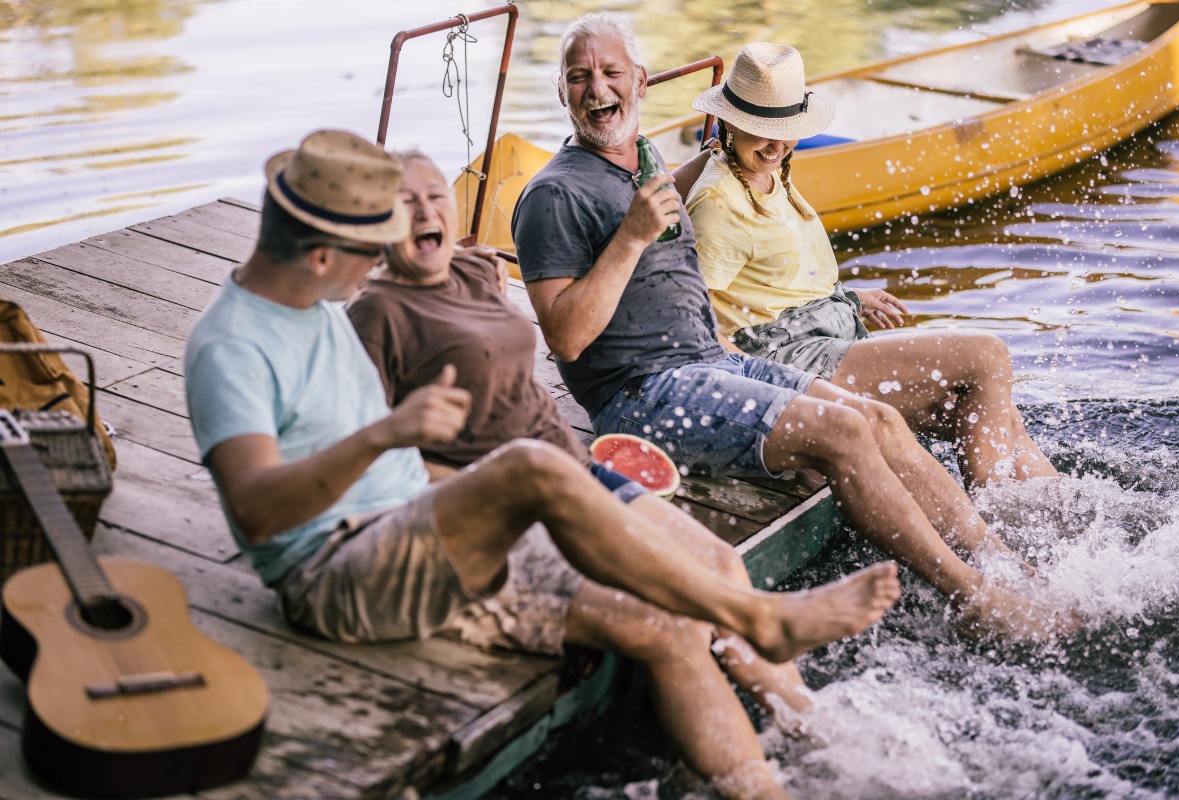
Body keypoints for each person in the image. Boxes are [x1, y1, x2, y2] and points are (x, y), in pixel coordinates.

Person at [184, 129, 902, 800]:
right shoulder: (234, 347)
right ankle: (756, 617)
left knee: (666, 622)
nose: (379, 262)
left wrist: (474, 493)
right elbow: (257, 510)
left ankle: (762, 786)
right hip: (340, 572)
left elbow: (398, 470)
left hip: (420, 530)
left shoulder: (312, 307)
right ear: (320, 255)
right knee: (528, 465)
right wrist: (385, 436)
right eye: (369, 249)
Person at [511, 12, 1075, 642]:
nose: (597, 89)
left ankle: (1004, 562)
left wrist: (714, 157)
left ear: (640, 81)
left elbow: (663, 194)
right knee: (843, 431)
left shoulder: (639, 159)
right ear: (561, 91)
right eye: (579, 77)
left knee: (879, 419)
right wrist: (632, 238)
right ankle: (974, 596)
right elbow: (565, 337)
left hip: (709, 360)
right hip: (642, 393)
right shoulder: (553, 196)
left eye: (611, 73)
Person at [684, 42, 1057, 489]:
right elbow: (693, 320)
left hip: (819, 335)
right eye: (763, 128)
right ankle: (993, 508)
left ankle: (1049, 508)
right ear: (730, 121)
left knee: (988, 407)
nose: (777, 144)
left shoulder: (762, 169)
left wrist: (850, 298)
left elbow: (773, 279)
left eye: (787, 128)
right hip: (783, 358)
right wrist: (761, 381)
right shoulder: (719, 203)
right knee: (987, 356)